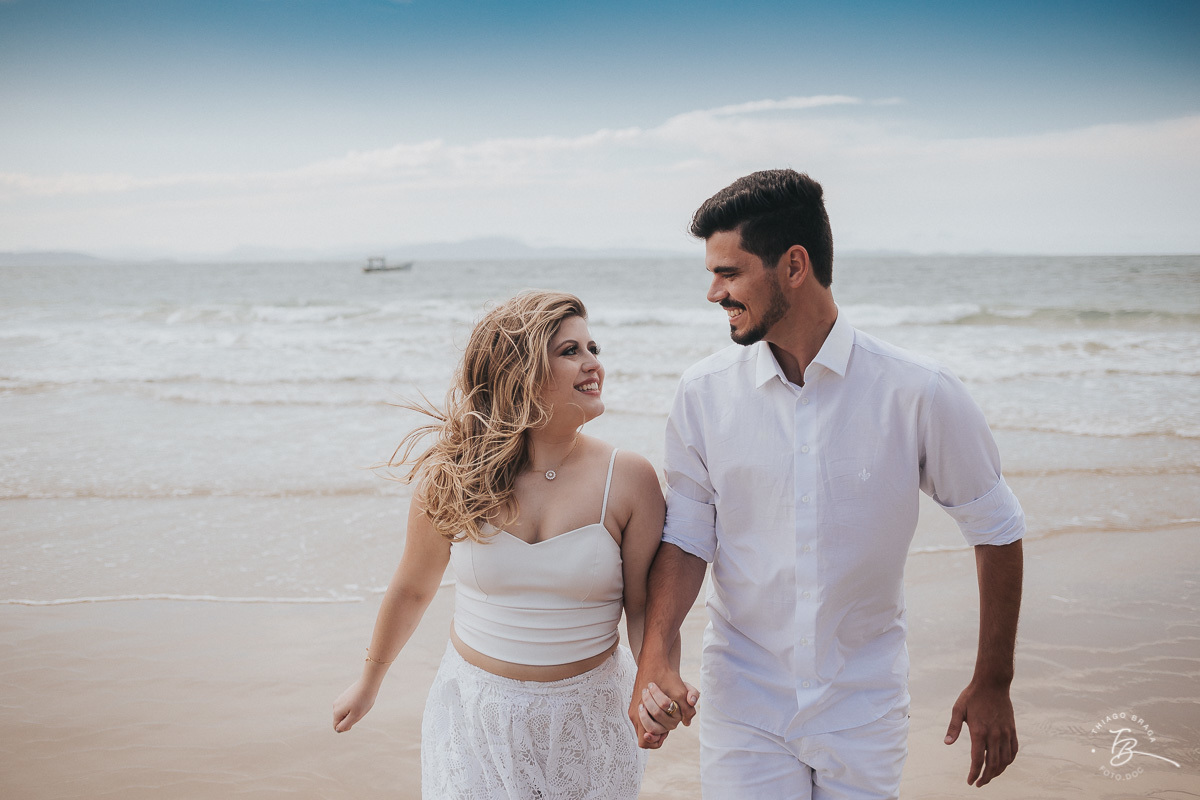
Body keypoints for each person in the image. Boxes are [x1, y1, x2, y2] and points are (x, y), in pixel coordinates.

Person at [629, 170, 1025, 799]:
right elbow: (687, 533)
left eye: (728, 273)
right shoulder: (703, 394)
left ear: (793, 265)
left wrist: (993, 680)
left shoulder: (918, 392)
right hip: (743, 700)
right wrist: (658, 652)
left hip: (864, 704)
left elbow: (996, 527)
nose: (713, 293)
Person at [333, 290, 673, 800]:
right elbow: (412, 588)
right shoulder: (456, 475)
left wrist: (655, 688)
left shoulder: (629, 480)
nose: (593, 363)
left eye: (593, 347)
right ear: (520, 371)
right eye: (569, 351)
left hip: (589, 716)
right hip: (474, 712)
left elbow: (645, 611)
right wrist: (369, 682)